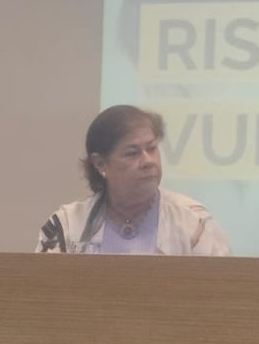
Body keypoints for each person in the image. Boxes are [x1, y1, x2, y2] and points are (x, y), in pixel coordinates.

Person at [37, 105, 231, 256]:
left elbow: (222, 290)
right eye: (132, 153)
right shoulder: (66, 224)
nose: (148, 161)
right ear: (100, 164)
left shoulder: (194, 221)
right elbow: (42, 290)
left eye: (152, 148)